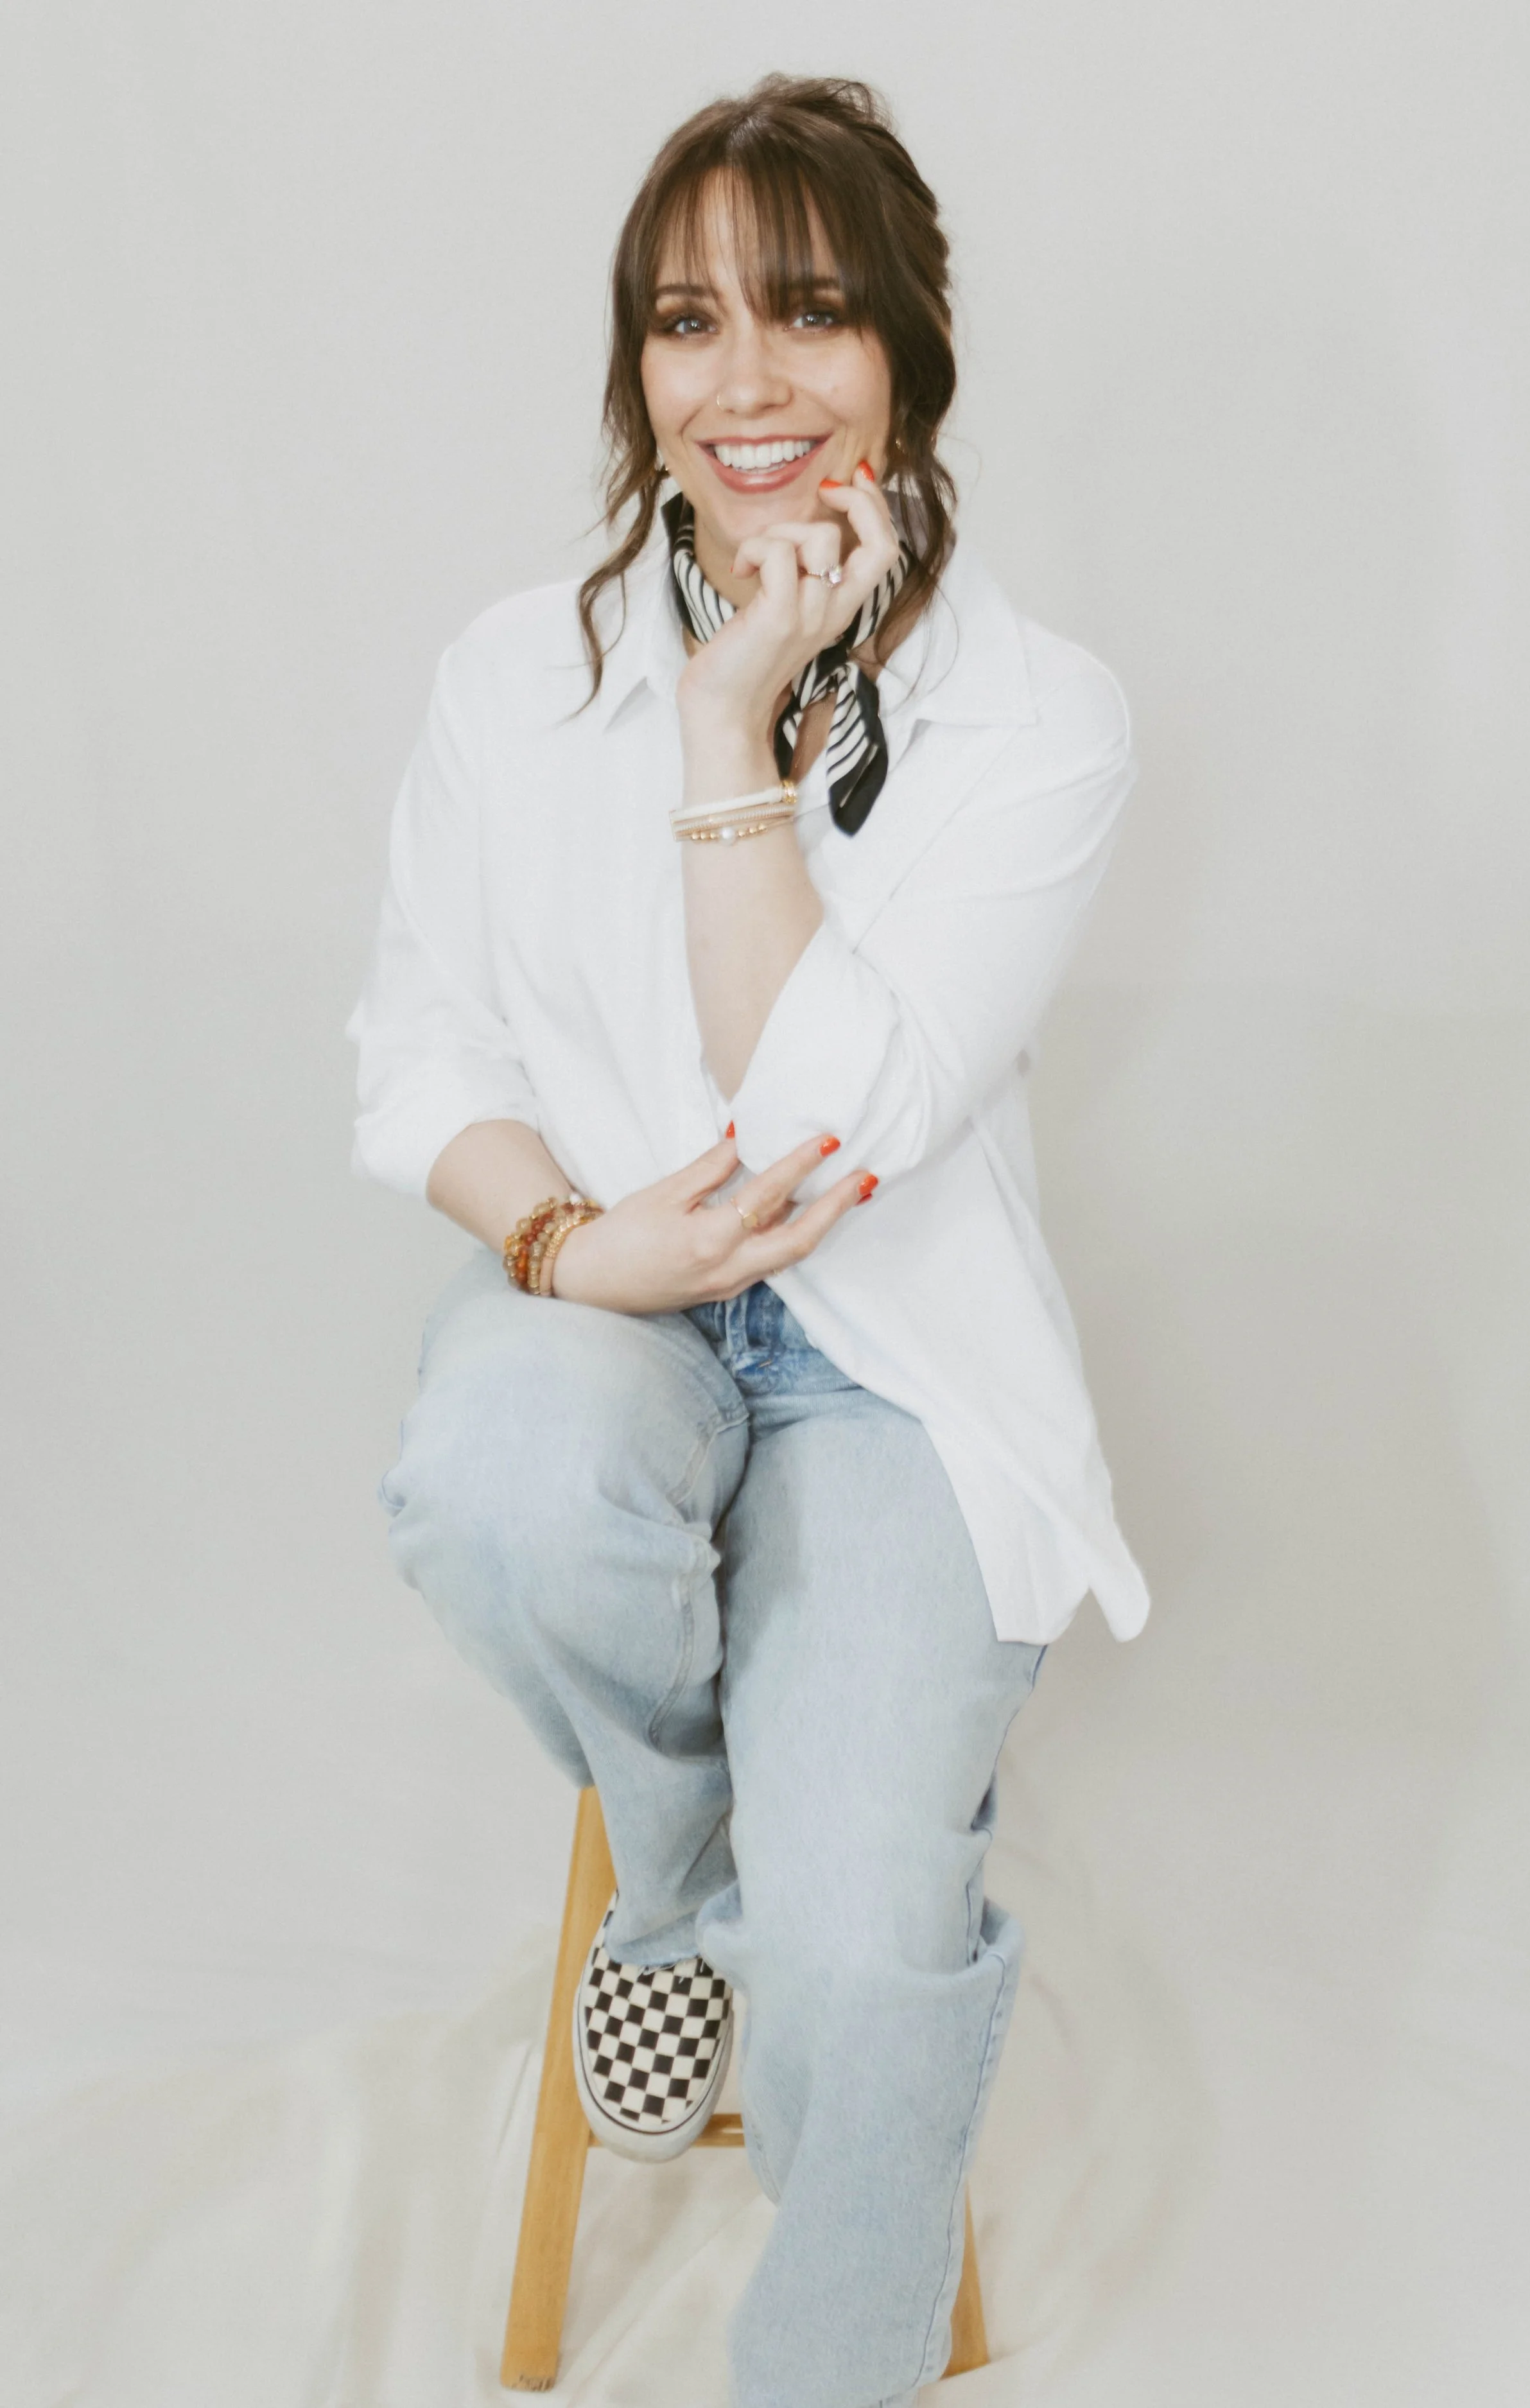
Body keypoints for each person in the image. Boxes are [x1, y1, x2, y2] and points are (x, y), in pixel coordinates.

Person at [345, 73, 1148, 2408]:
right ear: (637, 374)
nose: (751, 384)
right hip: (624, 1322)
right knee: (497, 1462)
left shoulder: (1039, 719)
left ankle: (825, 2351)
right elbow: (420, 1055)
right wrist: (571, 1246)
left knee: (871, 1944)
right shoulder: (509, 677)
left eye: (810, 314)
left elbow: (822, 1113)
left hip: (895, 1371)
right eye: (688, 325)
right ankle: (691, 1885)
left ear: (904, 349)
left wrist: (726, 728)